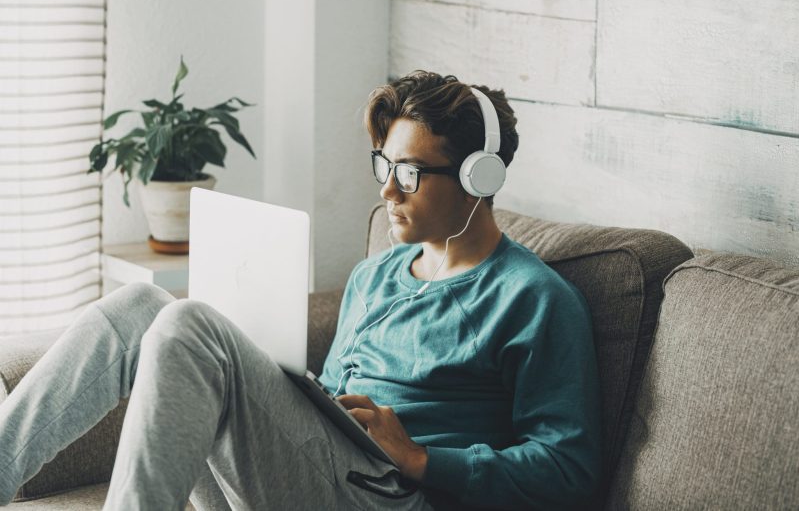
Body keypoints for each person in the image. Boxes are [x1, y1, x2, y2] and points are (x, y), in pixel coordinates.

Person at [0, 70, 601, 510]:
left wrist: (421, 458)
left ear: (479, 176)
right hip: (319, 478)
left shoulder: (534, 299)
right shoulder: (376, 275)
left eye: (411, 173)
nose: (389, 192)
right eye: (383, 167)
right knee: (143, 308)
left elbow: (570, 471)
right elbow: (332, 402)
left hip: (393, 497)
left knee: (188, 324)